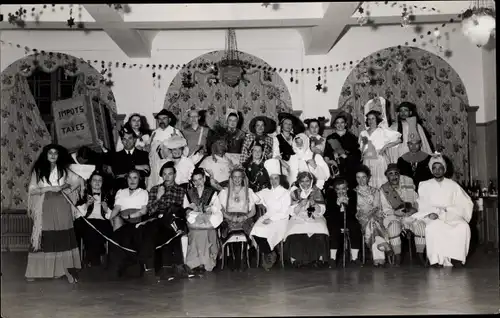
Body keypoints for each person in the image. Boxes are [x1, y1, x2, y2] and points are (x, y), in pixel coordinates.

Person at [25, 144, 84, 284]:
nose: (52, 155)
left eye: (55, 153)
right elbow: (32, 190)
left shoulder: (64, 170)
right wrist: (51, 188)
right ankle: (36, 271)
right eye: (50, 153)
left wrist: (67, 190)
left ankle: (62, 271)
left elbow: (79, 180)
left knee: (62, 236)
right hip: (45, 204)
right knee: (44, 236)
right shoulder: (38, 170)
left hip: (62, 206)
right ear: (45, 154)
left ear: (58, 155)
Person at [409, 153, 473, 267]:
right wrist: (429, 214)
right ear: (431, 170)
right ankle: (437, 259)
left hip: (451, 214)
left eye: (440, 168)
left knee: (463, 227)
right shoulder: (425, 185)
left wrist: (449, 210)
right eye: (434, 168)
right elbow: (422, 203)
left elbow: (466, 202)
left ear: (444, 169)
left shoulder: (453, 185)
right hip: (432, 215)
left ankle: (454, 257)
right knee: (434, 227)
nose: (437, 171)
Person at [141, 161, 189, 278]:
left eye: (170, 174)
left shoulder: (181, 191)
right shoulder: (155, 189)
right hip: (157, 218)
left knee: (172, 227)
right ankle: (162, 268)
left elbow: (184, 210)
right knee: (156, 230)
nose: (167, 177)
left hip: (173, 219)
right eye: (165, 174)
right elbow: (150, 210)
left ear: (175, 175)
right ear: (162, 176)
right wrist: (159, 197)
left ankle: (176, 266)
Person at [379, 164, 426, 266]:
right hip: (393, 216)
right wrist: (395, 212)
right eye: (390, 174)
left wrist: (414, 209)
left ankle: (420, 254)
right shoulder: (384, 189)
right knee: (394, 228)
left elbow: (417, 201)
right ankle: (397, 256)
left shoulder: (408, 185)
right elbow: (385, 209)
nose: (394, 176)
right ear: (387, 176)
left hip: (410, 216)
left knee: (421, 226)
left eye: (396, 173)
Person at [250, 159, 291, 270]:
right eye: (271, 178)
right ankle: (270, 253)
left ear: (280, 178)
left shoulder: (286, 193)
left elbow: (285, 212)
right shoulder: (266, 191)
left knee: (267, 231)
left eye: (276, 178)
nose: (273, 181)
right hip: (268, 216)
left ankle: (267, 255)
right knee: (256, 230)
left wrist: (272, 219)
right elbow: (254, 197)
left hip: (281, 219)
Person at [107, 169, 149, 277]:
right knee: (116, 221)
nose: (132, 180)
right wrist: (111, 218)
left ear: (139, 180)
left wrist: (130, 216)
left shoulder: (143, 192)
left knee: (135, 232)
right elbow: (117, 208)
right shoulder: (121, 192)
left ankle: (133, 263)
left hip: (136, 219)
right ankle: (116, 262)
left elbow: (144, 210)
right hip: (122, 220)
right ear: (126, 180)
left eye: (135, 177)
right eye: (130, 178)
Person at [218, 167, 259, 271]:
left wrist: (245, 217)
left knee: (243, 229)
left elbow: (253, 211)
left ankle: (242, 260)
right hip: (229, 218)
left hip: (245, 217)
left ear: (243, 178)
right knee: (231, 229)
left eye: (239, 177)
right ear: (231, 178)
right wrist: (229, 217)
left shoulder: (248, 191)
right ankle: (234, 259)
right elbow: (221, 210)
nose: (237, 180)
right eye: (234, 177)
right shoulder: (225, 192)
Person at [284, 172, 329, 268]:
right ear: (299, 182)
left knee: (320, 227)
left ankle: (318, 258)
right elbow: (292, 212)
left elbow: (321, 210)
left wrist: (314, 204)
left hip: (315, 215)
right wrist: (300, 205)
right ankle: (296, 258)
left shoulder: (317, 191)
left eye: (307, 181)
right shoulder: (295, 193)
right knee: (295, 229)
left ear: (311, 181)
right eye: (302, 181)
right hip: (298, 216)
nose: (305, 184)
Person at [183, 168, 223, 273]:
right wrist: (191, 210)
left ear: (204, 179)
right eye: (195, 180)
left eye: (200, 179)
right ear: (192, 182)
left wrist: (209, 210)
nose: (198, 183)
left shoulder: (212, 192)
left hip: (208, 221)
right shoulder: (189, 193)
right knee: (197, 231)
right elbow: (186, 209)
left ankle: (204, 262)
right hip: (195, 221)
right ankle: (196, 263)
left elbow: (217, 207)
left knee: (204, 231)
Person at [353, 165, 392, 267]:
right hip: (360, 218)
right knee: (373, 223)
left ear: (368, 177)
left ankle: (379, 256)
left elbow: (377, 207)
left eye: (364, 177)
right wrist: (365, 215)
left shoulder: (375, 191)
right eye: (358, 177)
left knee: (373, 223)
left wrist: (370, 214)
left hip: (375, 216)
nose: (361, 180)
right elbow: (354, 209)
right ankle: (381, 250)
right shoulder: (353, 192)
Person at [74, 170, 114, 267]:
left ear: (103, 182)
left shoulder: (108, 196)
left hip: (102, 223)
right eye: (94, 180)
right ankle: (96, 259)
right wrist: (87, 204)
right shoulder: (83, 195)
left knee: (97, 228)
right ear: (90, 182)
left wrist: (106, 209)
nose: (97, 182)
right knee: (90, 229)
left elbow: (112, 215)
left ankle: (89, 257)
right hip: (87, 223)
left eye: (99, 180)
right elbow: (76, 215)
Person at [359, 97, 402, 188]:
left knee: (381, 183)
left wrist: (385, 147)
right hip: (367, 160)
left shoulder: (382, 131)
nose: (370, 121)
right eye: (369, 119)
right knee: (369, 183)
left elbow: (398, 139)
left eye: (373, 119)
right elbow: (362, 147)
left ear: (377, 120)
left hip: (379, 159)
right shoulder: (363, 133)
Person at [325, 178, 362, 267]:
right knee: (334, 229)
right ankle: (332, 258)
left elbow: (353, 212)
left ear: (347, 188)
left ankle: (355, 258)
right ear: (335, 190)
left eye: (343, 188)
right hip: (335, 219)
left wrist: (347, 204)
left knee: (355, 227)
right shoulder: (330, 195)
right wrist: (337, 205)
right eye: (338, 189)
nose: (341, 191)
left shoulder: (352, 194)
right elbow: (329, 213)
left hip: (349, 218)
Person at [100, 126, 150, 191]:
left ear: (134, 140)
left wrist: (124, 173)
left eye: (130, 138)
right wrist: (136, 167)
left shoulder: (143, 154)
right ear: (121, 141)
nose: (127, 141)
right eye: (124, 139)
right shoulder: (116, 155)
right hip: (121, 189)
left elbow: (146, 172)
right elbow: (117, 171)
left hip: (139, 189)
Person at [324, 112, 362, 187]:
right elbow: (327, 153)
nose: (340, 125)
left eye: (342, 122)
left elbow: (357, 154)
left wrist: (346, 156)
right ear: (334, 125)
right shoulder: (330, 138)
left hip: (349, 168)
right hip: (335, 169)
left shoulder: (352, 137)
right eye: (337, 123)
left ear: (345, 124)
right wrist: (329, 161)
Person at [148, 109, 183, 189]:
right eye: (159, 119)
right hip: (156, 165)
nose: (161, 121)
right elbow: (150, 150)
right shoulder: (154, 133)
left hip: (170, 165)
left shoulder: (175, 132)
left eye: (164, 118)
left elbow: (182, 150)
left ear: (169, 119)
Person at [272, 112, 305, 186]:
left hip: (296, 163)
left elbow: (300, 152)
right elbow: (276, 155)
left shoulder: (296, 137)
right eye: (286, 123)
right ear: (282, 125)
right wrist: (287, 166)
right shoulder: (276, 138)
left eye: (290, 124)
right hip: (284, 165)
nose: (288, 126)